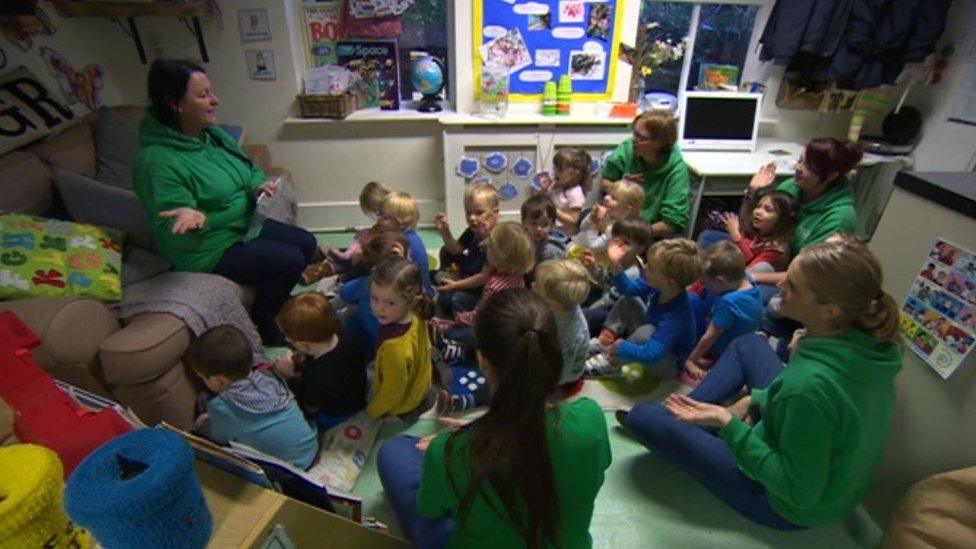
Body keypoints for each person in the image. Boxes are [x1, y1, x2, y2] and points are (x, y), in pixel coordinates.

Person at [617, 239, 902, 530]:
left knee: (643, 417)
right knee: (749, 344)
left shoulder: (809, 388)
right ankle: (688, 416)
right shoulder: (871, 347)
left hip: (783, 503)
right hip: (804, 448)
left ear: (829, 311)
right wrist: (756, 398)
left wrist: (729, 424)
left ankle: (687, 421)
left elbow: (799, 491)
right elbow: (807, 401)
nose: (780, 288)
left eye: (792, 286)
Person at [377, 289, 612, 548]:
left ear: (481, 359)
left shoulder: (450, 451)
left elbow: (429, 509)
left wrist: (450, 448)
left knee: (394, 451)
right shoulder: (591, 419)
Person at [133, 59, 318, 346]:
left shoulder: (211, 135)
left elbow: (249, 166)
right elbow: (176, 231)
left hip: (244, 225)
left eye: (211, 92)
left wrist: (257, 183)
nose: (215, 100)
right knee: (289, 260)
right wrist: (201, 220)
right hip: (208, 247)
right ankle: (264, 320)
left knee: (306, 243)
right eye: (203, 95)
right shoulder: (156, 162)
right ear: (175, 104)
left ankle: (276, 296)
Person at [187, 325, 319, 469]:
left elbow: (217, 436)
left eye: (203, 378)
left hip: (290, 468)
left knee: (203, 406)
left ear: (219, 380)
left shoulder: (222, 407)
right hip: (311, 446)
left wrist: (203, 424)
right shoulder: (270, 377)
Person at [743, 138, 863, 292]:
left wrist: (749, 276)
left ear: (831, 176)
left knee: (739, 295)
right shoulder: (791, 186)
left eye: (808, 165)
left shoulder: (840, 217)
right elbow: (753, 228)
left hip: (797, 281)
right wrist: (752, 191)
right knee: (711, 239)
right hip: (768, 257)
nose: (798, 168)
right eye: (800, 161)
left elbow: (809, 274)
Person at [585, 238, 703, 381]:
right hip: (652, 339)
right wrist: (616, 264)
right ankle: (605, 341)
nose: (644, 267)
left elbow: (650, 355)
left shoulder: (676, 317)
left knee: (647, 332)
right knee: (629, 300)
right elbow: (628, 289)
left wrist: (622, 346)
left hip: (667, 364)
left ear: (669, 282)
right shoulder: (659, 285)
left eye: (651, 267)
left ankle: (612, 362)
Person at [434, 222, 536, 362]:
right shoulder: (515, 273)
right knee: (459, 299)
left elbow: (479, 317)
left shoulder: (495, 287)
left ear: (500, 257)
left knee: (452, 333)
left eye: (491, 247)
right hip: (495, 316)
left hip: (491, 330)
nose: (486, 247)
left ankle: (469, 353)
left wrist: (459, 319)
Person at [273, 292, 368, 432]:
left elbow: (310, 404)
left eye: (289, 338)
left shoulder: (316, 374)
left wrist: (290, 376)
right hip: (359, 393)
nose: (287, 340)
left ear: (303, 344)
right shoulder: (346, 334)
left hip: (336, 415)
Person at [366, 257, 436, 422]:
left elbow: (392, 393)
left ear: (411, 299)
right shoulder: (417, 310)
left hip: (404, 403)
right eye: (374, 298)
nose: (379, 308)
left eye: (390, 303)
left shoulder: (394, 348)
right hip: (421, 381)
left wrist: (371, 412)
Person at [601, 111, 690, 238]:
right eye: (634, 134)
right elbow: (605, 181)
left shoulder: (676, 170)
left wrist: (633, 234)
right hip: (617, 217)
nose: (634, 141)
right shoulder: (627, 149)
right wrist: (620, 185)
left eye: (640, 138)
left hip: (649, 229)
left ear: (659, 143)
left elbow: (673, 222)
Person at [684, 242, 763, 384]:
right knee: (699, 296)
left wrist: (691, 360)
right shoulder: (746, 280)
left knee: (691, 300)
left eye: (705, 282)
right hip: (739, 337)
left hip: (721, 349)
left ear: (720, 280)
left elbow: (711, 336)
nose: (703, 284)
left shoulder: (729, 302)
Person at [304, 180, 394, 284]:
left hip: (372, 259)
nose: (378, 219)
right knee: (347, 252)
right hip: (367, 250)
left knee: (349, 260)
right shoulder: (386, 220)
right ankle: (326, 254)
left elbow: (379, 253)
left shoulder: (394, 230)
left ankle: (323, 268)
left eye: (378, 214)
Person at [337, 229, 409, 358]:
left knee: (347, 313)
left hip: (366, 346)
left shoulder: (363, 284)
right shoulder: (410, 289)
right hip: (393, 347)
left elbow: (342, 293)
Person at [696, 188, 798, 275]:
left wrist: (736, 235)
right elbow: (745, 220)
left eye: (768, 210)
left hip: (753, 278)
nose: (758, 212)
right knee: (709, 236)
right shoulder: (761, 231)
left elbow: (750, 267)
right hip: (739, 260)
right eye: (758, 206)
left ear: (782, 218)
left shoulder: (776, 249)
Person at [435, 183, 500, 317]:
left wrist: (455, 285)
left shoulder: (496, 239)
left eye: (479, 213)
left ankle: (462, 325)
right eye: (468, 212)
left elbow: (484, 277)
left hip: (483, 291)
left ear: (494, 214)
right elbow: (455, 249)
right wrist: (445, 232)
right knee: (445, 251)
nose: (472, 218)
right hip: (469, 274)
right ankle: (448, 279)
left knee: (454, 299)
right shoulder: (472, 231)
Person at [572, 179, 646, 260]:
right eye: (608, 194)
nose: (606, 198)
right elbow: (582, 228)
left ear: (626, 208)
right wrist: (591, 217)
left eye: (614, 198)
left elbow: (594, 246)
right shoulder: (605, 214)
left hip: (597, 260)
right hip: (581, 248)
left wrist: (594, 225)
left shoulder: (618, 228)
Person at [381, 191, 434, 297]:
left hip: (417, 298)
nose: (380, 220)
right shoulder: (408, 236)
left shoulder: (404, 243)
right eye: (380, 215)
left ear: (401, 222)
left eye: (385, 217)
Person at [538, 147, 593, 236]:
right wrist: (544, 189)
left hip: (564, 236)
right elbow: (542, 200)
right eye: (555, 168)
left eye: (560, 170)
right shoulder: (556, 185)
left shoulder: (575, 193)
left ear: (575, 174)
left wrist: (554, 210)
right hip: (550, 228)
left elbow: (573, 220)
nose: (555, 172)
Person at [521, 193, 570, 265]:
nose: (539, 229)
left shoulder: (551, 251)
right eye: (534, 223)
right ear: (523, 222)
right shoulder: (522, 239)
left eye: (545, 224)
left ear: (552, 225)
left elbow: (554, 274)